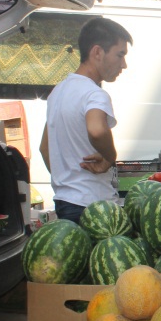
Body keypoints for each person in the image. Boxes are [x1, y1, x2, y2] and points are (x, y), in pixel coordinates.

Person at [39, 17, 132, 223]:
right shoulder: (94, 94)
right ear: (97, 52)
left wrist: (68, 183)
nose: (124, 64)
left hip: (64, 203)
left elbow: (45, 148)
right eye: (120, 55)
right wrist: (110, 157)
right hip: (94, 207)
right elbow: (97, 129)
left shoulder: (58, 92)